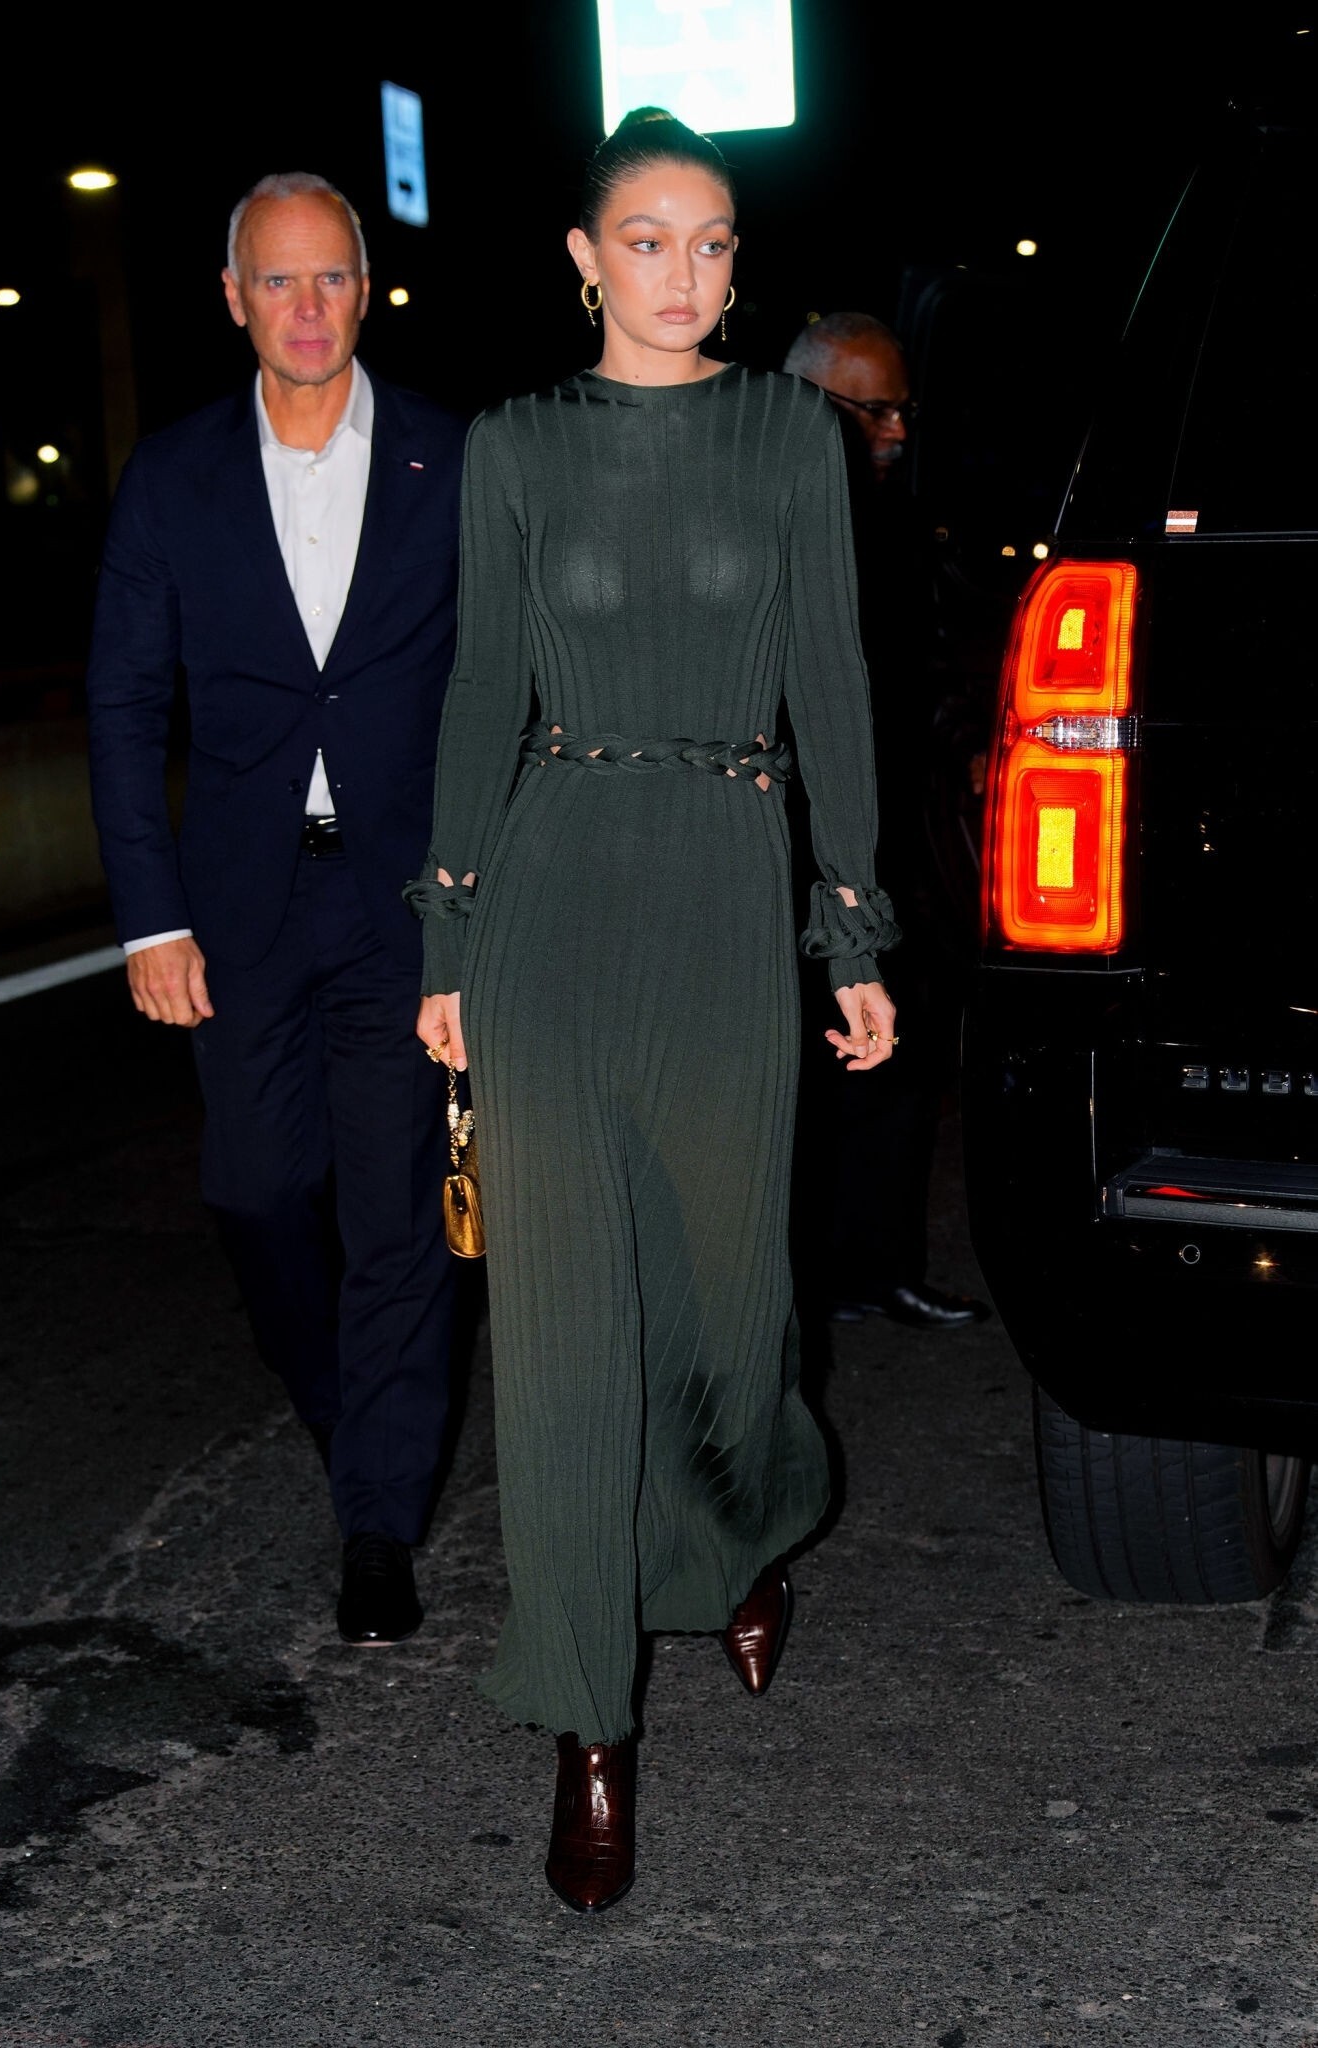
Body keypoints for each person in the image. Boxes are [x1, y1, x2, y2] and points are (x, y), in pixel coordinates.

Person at [408, 109, 898, 1914]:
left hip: (721, 889)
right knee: (556, 1342)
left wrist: (852, 930)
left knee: (731, 1306)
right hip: (551, 899)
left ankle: (741, 1527)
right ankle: (586, 1723)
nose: (681, 273)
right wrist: (447, 942)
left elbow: (832, 682)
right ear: (583, 257)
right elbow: (482, 691)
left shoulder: (790, 435)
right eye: (646, 240)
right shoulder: (519, 446)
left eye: (710, 243)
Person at [87, 172, 467, 1647]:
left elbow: (499, 685)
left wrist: (479, 901)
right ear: (234, 297)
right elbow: (125, 706)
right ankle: (348, 1415)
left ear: (365, 289)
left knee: (398, 1220)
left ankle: (378, 1523)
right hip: (240, 903)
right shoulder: (172, 476)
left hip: (402, 901)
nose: (307, 308)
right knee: (254, 1192)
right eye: (277, 280)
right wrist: (149, 919)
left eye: (330, 278)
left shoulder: (450, 456)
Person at [783, 312, 990, 1330]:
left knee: (896, 1054)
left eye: (904, 409)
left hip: (895, 839)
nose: (898, 431)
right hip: (783, 842)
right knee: (798, 1064)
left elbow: (939, 663)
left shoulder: (901, 524)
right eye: (874, 410)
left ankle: (877, 1264)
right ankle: (795, 1278)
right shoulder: (759, 511)